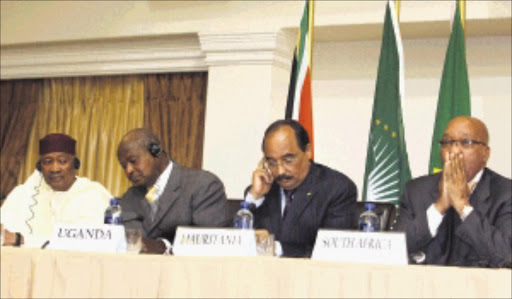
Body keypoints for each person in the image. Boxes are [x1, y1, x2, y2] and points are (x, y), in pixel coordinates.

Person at [394, 116, 511, 267]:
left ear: (485, 154)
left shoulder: (506, 193)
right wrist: (439, 208)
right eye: (447, 143)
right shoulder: (416, 190)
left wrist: (463, 206)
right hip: (426, 287)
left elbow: (506, 255)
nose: (454, 151)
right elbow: (395, 249)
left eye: (466, 143)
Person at [245, 119, 357, 257]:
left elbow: (334, 253)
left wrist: (276, 248)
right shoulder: (261, 190)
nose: (280, 171)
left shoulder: (337, 189)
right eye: (272, 162)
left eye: (288, 160)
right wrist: (254, 197)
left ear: (308, 151)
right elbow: (233, 246)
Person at [116, 128, 230, 254]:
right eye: (124, 166)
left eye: (133, 161)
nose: (128, 170)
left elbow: (208, 243)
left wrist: (165, 247)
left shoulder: (203, 185)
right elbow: (132, 242)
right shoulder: (130, 198)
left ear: (156, 151)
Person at [0, 133, 112, 247]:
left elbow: (90, 243)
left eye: (62, 161)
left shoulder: (94, 194)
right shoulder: (22, 195)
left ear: (75, 164)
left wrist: (23, 240)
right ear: (40, 166)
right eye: (48, 162)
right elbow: (4, 235)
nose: (54, 169)